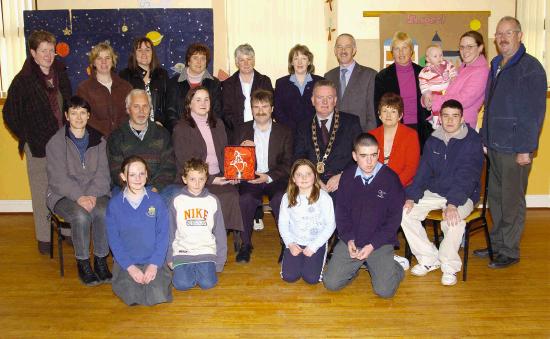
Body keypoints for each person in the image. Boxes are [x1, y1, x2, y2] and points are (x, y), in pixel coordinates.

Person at [475, 16, 547, 269]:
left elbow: (535, 113)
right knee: (495, 198)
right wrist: (484, 136)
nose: (503, 38)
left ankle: (510, 250)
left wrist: (526, 149)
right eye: (499, 34)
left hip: (515, 149)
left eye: (509, 32)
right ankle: (496, 244)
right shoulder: (496, 64)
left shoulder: (531, 68)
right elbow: (489, 105)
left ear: (520, 35)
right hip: (494, 145)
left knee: (512, 200)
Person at [3, 30, 72, 254]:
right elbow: (10, 114)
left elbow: (69, 105)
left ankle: (68, 232)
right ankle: (44, 240)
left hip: (63, 145)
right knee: (41, 191)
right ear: (33, 52)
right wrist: (26, 136)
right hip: (38, 147)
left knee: (65, 188)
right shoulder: (23, 80)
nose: (48, 55)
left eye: (51, 50)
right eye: (43, 51)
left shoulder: (60, 72)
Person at [401, 99, 484, 286]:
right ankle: (429, 259)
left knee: (453, 221)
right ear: (440, 118)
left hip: (463, 194)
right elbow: (422, 172)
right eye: (445, 116)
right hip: (436, 192)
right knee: (404, 212)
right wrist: (411, 197)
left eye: (455, 116)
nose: (450, 120)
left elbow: (468, 177)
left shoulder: (472, 141)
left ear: (462, 118)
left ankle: (449, 266)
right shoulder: (433, 140)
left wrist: (453, 204)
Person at [323, 133, 405, 298]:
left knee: (384, 291)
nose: (369, 161)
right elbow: (342, 213)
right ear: (354, 156)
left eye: (374, 155)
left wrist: (372, 245)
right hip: (353, 241)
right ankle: (355, 267)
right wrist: (349, 238)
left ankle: (395, 267)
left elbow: (394, 220)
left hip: (379, 243)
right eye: (364, 156)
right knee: (330, 283)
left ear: (379, 154)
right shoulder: (347, 177)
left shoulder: (391, 179)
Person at [46, 96, 111, 286]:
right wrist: (79, 197)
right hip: (63, 194)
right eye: (73, 113)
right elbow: (58, 179)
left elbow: (102, 174)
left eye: (83, 112)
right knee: (81, 216)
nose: (78, 117)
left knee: (103, 211)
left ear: (89, 115)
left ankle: (100, 260)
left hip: (94, 192)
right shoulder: (56, 142)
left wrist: (91, 194)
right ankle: (83, 263)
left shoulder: (99, 140)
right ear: (66, 116)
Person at [172, 86, 244, 233]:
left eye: (206, 99)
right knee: (216, 197)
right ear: (189, 104)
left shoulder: (218, 124)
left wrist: (233, 174)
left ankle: (223, 236)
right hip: (196, 180)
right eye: (198, 100)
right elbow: (184, 163)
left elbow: (225, 153)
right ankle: (207, 236)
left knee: (232, 194)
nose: (203, 103)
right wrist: (210, 179)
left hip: (220, 176)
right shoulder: (181, 128)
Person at [233, 89, 293, 263]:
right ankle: (245, 245)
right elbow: (233, 161)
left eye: (265, 106)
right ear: (251, 109)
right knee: (245, 199)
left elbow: (288, 164)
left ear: (272, 108)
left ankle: (285, 243)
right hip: (250, 178)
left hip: (275, 178)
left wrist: (267, 176)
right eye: (256, 107)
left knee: (280, 198)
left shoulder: (285, 131)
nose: (260, 110)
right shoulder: (241, 130)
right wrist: (243, 152)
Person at [106, 156, 172, 306]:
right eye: (132, 174)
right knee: (132, 296)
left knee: (157, 295)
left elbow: (163, 235)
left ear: (147, 175)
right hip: (128, 261)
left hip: (153, 259)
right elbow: (114, 240)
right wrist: (130, 268)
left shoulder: (156, 200)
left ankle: (155, 281)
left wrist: (154, 264)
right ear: (123, 176)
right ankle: (128, 279)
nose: (138, 178)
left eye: (141, 173)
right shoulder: (114, 205)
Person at [294, 80, 362, 196]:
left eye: (329, 97)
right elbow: (299, 158)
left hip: (343, 180)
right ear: (313, 100)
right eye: (320, 97)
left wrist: (343, 176)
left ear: (335, 100)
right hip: (311, 181)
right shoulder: (303, 125)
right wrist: (314, 179)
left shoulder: (351, 122)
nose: (325, 102)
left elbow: (360, 155)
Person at [168, 158, 227, 291]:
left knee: (208, 284)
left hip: (205, 251)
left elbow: (220, 232)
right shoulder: (177, 200)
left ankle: (197, 269)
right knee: (181, 285)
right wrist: (170, 256)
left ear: (206, 179)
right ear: (184, 179)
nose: (197, 183)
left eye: (201, 179)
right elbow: (170, 230)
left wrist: (220, 260)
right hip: (183, 251)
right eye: (192, 179)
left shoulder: (212, 200)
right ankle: (188, 270)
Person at [107, 89, 176, 199]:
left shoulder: (162, 134)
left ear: (150, 109)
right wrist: (134, 189)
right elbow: (116, 171)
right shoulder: (116, 137)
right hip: (127, 187)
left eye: (145, 106)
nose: (141, 111)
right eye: (136, 106)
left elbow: (169, 167)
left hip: (159, 188)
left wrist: (155, 188)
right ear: (128, 109)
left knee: (176, 198)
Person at [278, 159, 335, 284]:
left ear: (315, 176)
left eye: (308, 174)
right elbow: (283, 223)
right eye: (299, 174)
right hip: (295, 242)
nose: (304, 178)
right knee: (289, 276)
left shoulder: (324, 198)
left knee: (311, 279)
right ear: (293, 178)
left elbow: (331, 224)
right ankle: (296, 259)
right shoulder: (287, 197)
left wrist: (314, 246)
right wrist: (290, 244)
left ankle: (315, 258)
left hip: (316, 242)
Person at [374, 31, 432, 149]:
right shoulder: (382, 77)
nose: (401, 52)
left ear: (411, 51)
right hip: (395, 130)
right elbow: (378, 108)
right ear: (392, 52)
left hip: (421, 130)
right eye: (396, 49)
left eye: (404, 48)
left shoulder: (424, 73)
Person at [422, 31, 490, 129]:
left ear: (480, 48)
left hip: (463, 126)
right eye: (462, 47)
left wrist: (433, 100)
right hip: (448, 124)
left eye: (469, 46)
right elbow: (443, 89)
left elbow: (463, 99)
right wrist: (426, 97)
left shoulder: (482, 71)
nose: (465, 51)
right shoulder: (461, 68)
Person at [77, 42, 133, 136]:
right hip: (97, 142)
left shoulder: (126, 87)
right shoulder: (84, 89)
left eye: (107, 58)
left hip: (124, 140)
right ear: (93, 62)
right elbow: (85, 118)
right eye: (99, 58)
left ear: (113, 61)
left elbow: (131, 114)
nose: (104, 62)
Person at [324, 33, 378, 132]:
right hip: (334, 138)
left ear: (354, 50)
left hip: (359, 136)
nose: (343, 51)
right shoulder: (328, 76)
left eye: (347, 47)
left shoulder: (370, 75)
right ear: (335, 51)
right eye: (339, 47)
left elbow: (372, 115)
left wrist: (366, 140)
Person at [166, 43, 222, 133]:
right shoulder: (174, 82)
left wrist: (206, 131)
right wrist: (180, 130)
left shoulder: (215, 83)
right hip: (182, 134)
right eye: (195, 58)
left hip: (207, 132)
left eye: (203, 58)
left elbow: (217, 112)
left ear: (206, 62)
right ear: (188, 61)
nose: (199, 62)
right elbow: (170, 112)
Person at [221, 43, 273, 139]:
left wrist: (259, 128)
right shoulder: (228, 84)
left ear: (254, 61)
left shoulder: (265, 81)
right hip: (236, 133)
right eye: (242, 60)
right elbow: (226, 112)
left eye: (249, 59)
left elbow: (270, 107)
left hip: (263, 132)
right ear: (237, 62)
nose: (246, 63)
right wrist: (242, 130)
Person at [368, 92, 420, 187]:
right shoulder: (371, 135)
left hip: (402, 184)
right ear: (379, 114)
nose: (388, 115)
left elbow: (411, 168)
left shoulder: (410, 135)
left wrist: (393, 185)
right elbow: (366, 164)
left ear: (400, 115)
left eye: (393, 111)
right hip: (375, 184)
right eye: (385, 111)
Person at [273, 44, 324, 133]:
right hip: (288, 133)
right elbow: (278, 112)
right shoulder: (281, 83)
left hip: (314, 133)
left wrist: (310, 127)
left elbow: (324, 108)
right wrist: (294, 127)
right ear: (291, 62)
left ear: (309, 62)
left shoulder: (320, 82)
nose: (299, 62)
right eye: (296, 59)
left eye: (303, 59)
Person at [119, 36, 169, 126]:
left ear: (152, 53)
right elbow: (122, 106)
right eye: (139, 50)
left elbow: (168, 103)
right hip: (133, 127)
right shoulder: (125, 76)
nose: (144, 53)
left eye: (147, 50)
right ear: (134, 54)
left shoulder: (162, 75)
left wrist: (161, 121)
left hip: (159, 127)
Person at [418, 44, 457, 128]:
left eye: (441, 55)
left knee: (446, 108)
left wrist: (453, 77)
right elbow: (423, 83)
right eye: (435, 56)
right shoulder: (425, 71)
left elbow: (453, 71)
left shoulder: (447, 64)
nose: (439, 58)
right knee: (435, 106)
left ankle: (442, 120)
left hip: (447, 90)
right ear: (428, 59)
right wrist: (426, 93)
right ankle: (435, 121)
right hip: (434, 91)